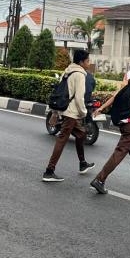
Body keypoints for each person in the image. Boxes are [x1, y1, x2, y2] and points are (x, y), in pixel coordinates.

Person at [89, 61, 130, 194]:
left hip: (124, 122)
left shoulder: (128, 82)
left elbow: (114, 97)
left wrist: (101, 108)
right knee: (120, 152)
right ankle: (100, 179)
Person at [42, 49, 96, 182]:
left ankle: (82, 163)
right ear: (81, 62)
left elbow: (60, 92)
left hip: (66, 110)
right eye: (88, 61)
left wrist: (55, 113)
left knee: (81, 134)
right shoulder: (80, 75)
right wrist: (83, 113)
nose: (89, 63)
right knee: (62, 140)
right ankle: (49, 171)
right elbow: (79, 98)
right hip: (72, 113)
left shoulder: (67, 71)